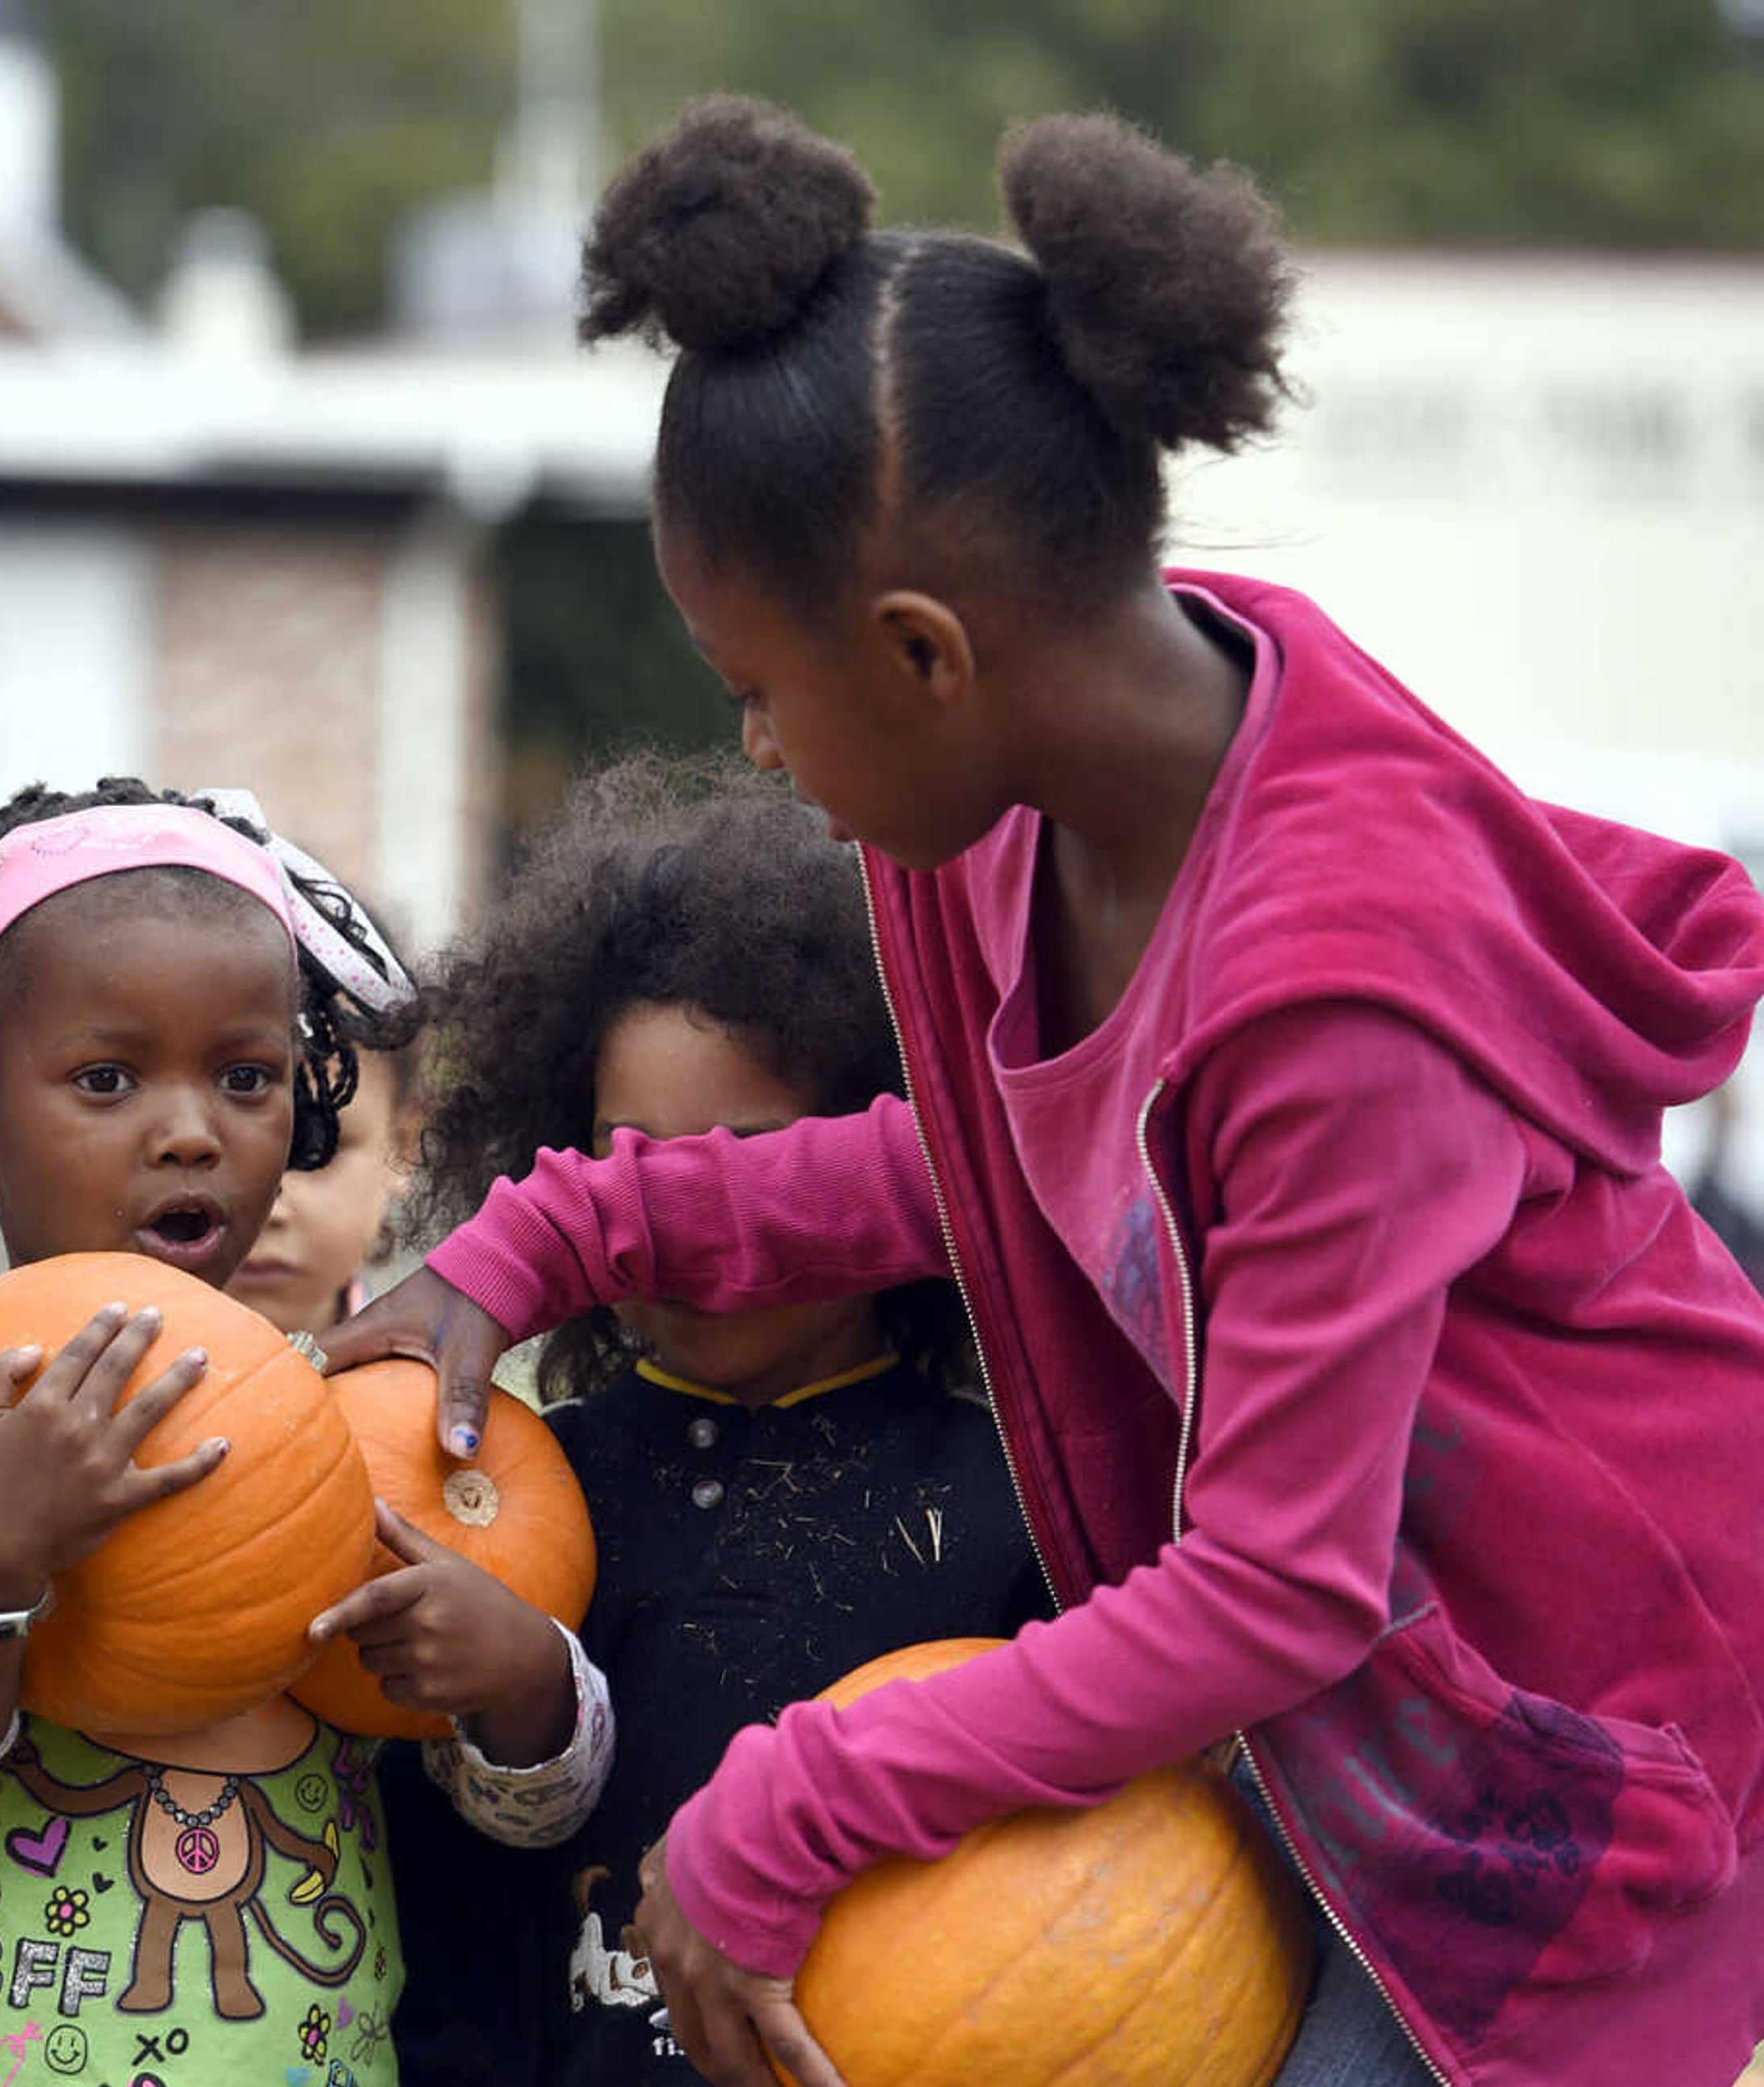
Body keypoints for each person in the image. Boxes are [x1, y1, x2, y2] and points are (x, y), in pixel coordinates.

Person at [327, 97, 1764, 2087]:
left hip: (1564, 1749)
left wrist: (792, 1795)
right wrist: (568, 1228)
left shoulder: (1337, 986)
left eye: (754, 682)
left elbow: (1270, 1583)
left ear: (921, 653)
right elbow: (1019, 1168)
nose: (748, 742)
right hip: (1349, 1697)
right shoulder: (1019, 812)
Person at [0, 779, 610, 2085]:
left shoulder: (350, 1406)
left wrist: (520, 1681)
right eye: (106, 1077)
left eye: (244, 1076)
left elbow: (531, 1805)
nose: (189, 1131)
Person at [378, 754, 1045, 2086]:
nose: (677, 1221)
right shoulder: (519, 1489)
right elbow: (447, 1922)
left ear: (867, 1166)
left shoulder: (1012, 1506)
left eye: (746, 1159)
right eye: (627, 1162)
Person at [228, 967, 418, 1340]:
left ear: (402, 1146)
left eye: (317, 1148)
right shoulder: (89, 1389)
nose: (269, 1211)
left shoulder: (440, 1394)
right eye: (216, 1151)